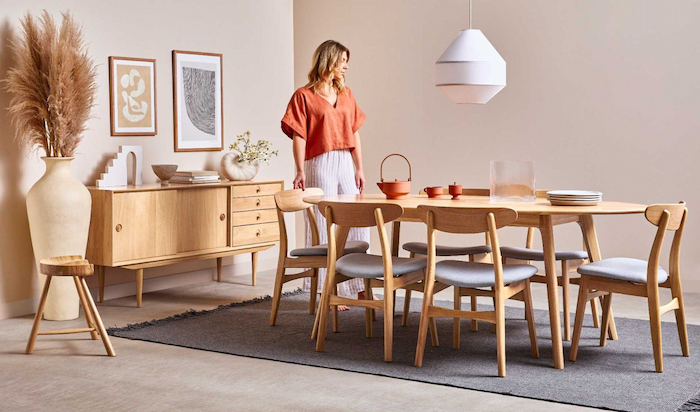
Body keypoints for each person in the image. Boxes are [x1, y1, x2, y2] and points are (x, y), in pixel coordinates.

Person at [281, 40, 370, 308]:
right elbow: (298, 134)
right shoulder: (303, 96)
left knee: (358, 222)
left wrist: (359, 167)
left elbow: (354, 131)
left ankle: (361, 287)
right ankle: (325, 291)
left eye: (347, 61)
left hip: (345, 160)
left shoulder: (347, 94)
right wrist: (299, 169)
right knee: (323, 225)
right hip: (318, 162)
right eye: (342, 60)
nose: (346, 66)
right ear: (328, 61)